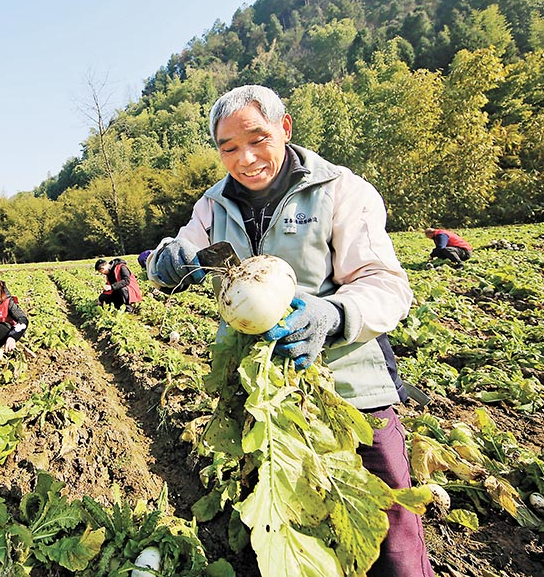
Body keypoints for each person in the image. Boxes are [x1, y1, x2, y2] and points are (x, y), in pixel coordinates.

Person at [145, 85, 433, 577]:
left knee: (388, 528)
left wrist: (334, 315)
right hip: (263, 398)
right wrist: (165, 261)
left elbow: (385, 283)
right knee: (289, 523)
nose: (246, 157)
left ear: (285, 127)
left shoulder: (342, 189)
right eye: (229, 148)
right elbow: (177, 252)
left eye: (257, 138)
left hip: (347, 386)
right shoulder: (212, 207)